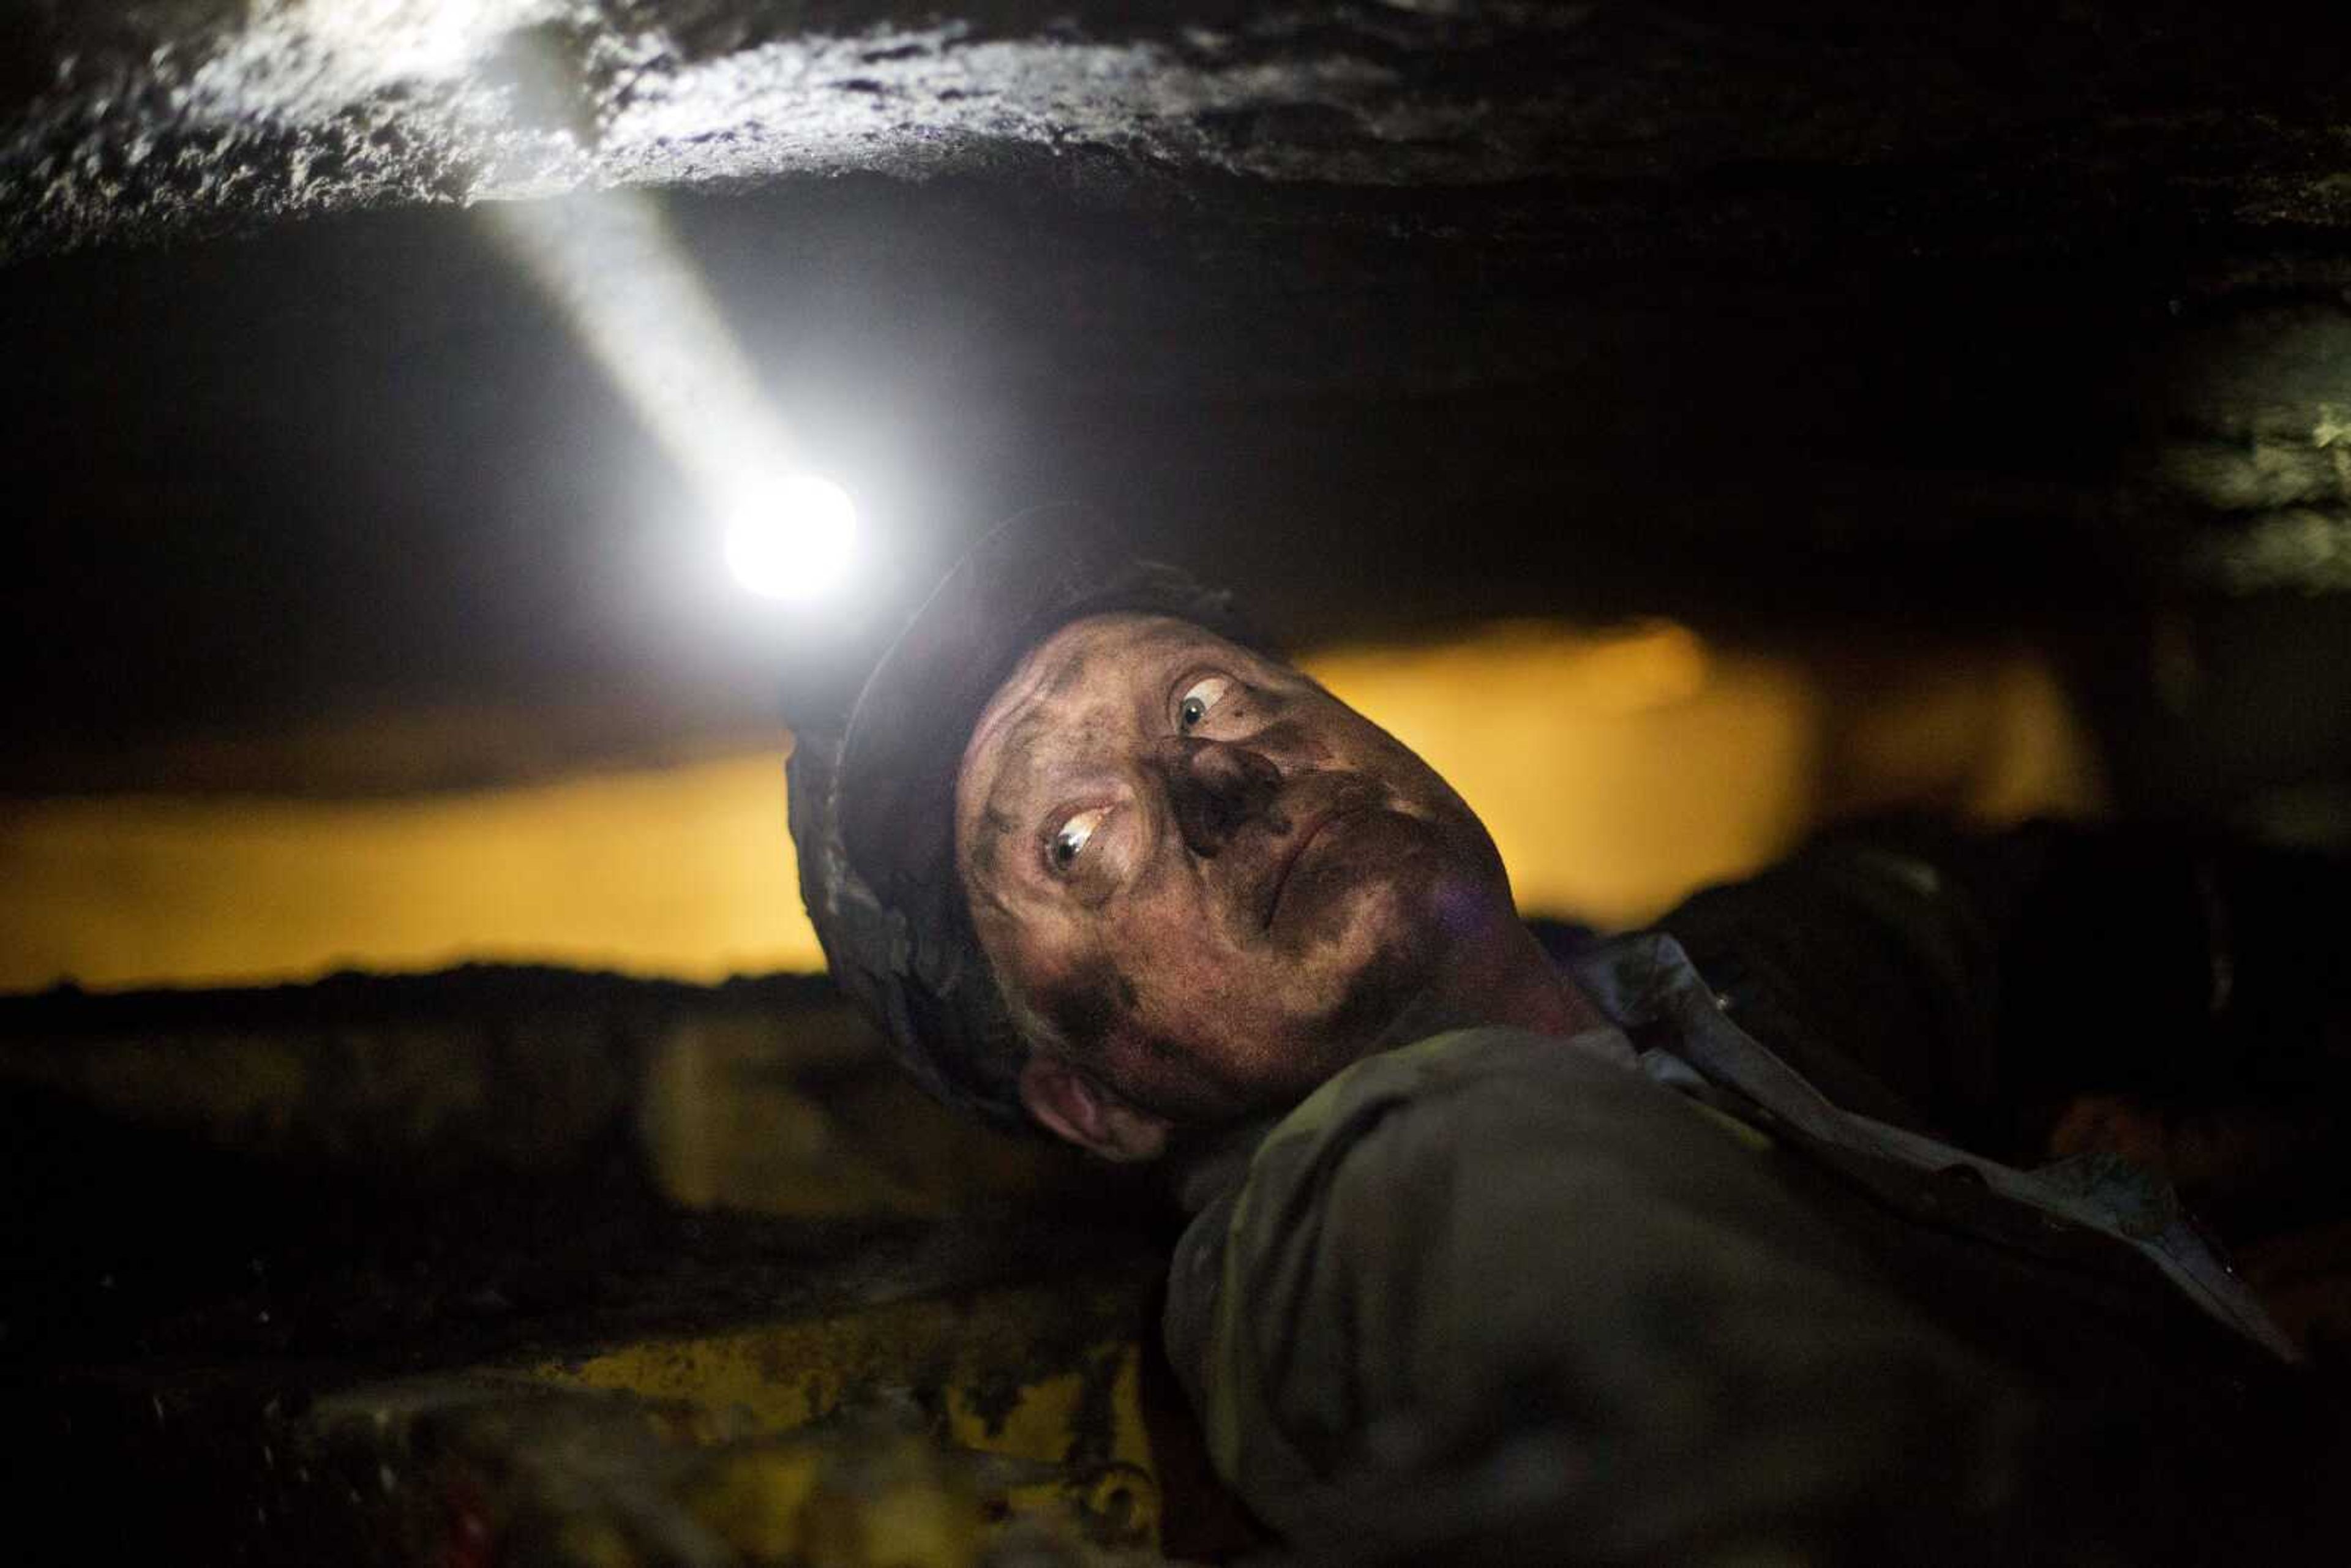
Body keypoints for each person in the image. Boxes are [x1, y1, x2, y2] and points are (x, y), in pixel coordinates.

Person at [787, 509, 2349, 1564]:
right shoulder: (1394, 1196)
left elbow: (1994, 915)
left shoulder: (1730, 996)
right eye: (1075, 844)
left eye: (1199, 703)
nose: (1223, 783)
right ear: (1091, 1103)